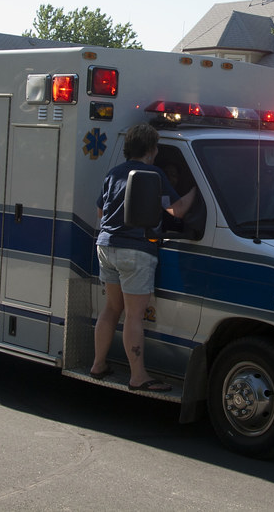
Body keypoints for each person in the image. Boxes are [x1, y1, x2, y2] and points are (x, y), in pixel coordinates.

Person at [90, 123, 195, 391]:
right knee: (134, 316)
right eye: (156, 147)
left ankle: (98, 364)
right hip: (135, 251)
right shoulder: (153, 173)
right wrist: (195, 189)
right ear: (150, 149)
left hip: (106, 246)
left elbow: (101, 213)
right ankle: (138, 377)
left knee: (111, 308)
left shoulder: (114, 173)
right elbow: (178, 211)